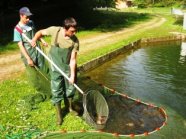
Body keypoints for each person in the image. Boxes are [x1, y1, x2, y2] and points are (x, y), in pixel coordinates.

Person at [31, 17, 79, 125]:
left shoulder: (75, 41)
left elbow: (73, 59)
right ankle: (59, 114)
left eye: (75, 30)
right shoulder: (55, 30)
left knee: (70, 88)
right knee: (56, 89)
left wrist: (72, 76)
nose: (74, 33)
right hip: (54, 65)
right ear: (65, 28)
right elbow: (40, 32)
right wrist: (34, 39)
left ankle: (70, 108)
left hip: (67, 66)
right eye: (72, 31)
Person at [13, 7, 50, 105]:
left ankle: (51, 87)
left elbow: (36, 34)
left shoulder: (31, 23)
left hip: (38, 51)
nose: (28, 19)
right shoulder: (17, 29)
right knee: (36, 75)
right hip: (28, 53)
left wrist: (42, 41)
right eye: (26, 17)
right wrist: (28, 58)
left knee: (44, 69)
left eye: (29, 17)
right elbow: (20, 45)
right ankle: (44, 90)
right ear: (21, 16)